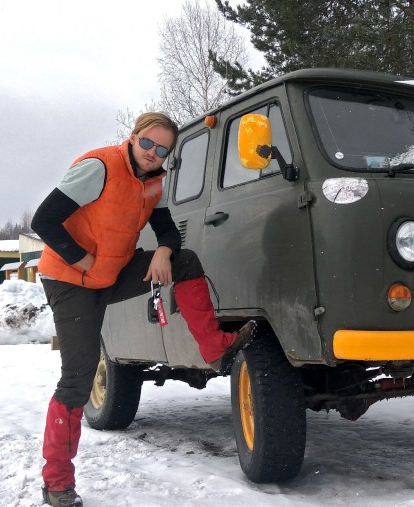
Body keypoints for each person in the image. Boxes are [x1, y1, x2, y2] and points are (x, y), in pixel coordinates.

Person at [31, 112, 254, 507]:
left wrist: (165, 251)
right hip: (71, 282)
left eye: (163, 149)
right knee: (77, 381)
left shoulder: (153, 182)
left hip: (112, 272)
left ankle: (214, 348)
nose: (154, 153)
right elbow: (44, 219)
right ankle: (57, 483)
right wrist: (81, 260)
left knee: (185, 262)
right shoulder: (98, 168)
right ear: (133, 138)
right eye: (148, 143)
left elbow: (167, 228)